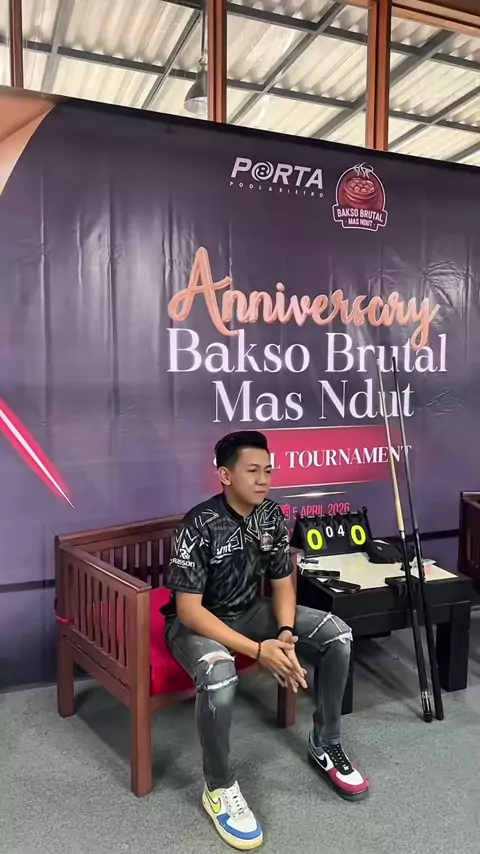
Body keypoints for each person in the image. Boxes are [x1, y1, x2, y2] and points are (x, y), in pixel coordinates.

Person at [163, 430, 368, 850]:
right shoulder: (199, 524)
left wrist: (286, 635)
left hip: (250, 612)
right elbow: (189, 611)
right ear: (225, 475)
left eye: (268, 471)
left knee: (338, 634)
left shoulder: (271, 515)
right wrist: (259, 651)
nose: (263, 480)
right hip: (198, 625)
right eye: (253, 471)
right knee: (220, 676)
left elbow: (282, 582)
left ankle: (326, 742)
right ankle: (218, 786)